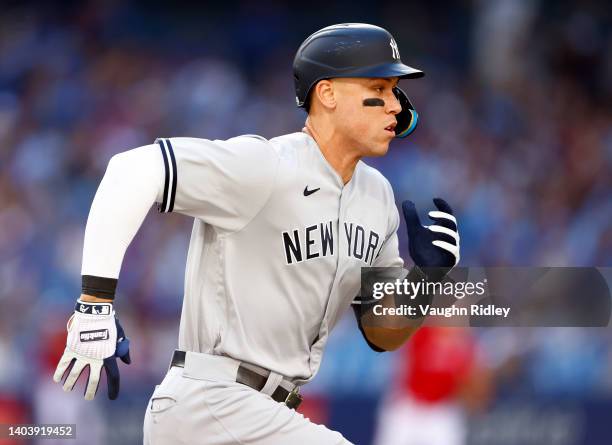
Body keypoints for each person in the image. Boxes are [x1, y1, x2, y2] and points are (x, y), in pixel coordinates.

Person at [52, 23, 461, 444]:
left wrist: (423, 281)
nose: (396, 105)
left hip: (267, 412)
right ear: (328, 94)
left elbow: (381, 331)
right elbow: (132, 170)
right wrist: (94, 303)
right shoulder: (267, 165)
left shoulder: (377, 196)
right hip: (213, 400)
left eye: (396, 90)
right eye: (381, 86)